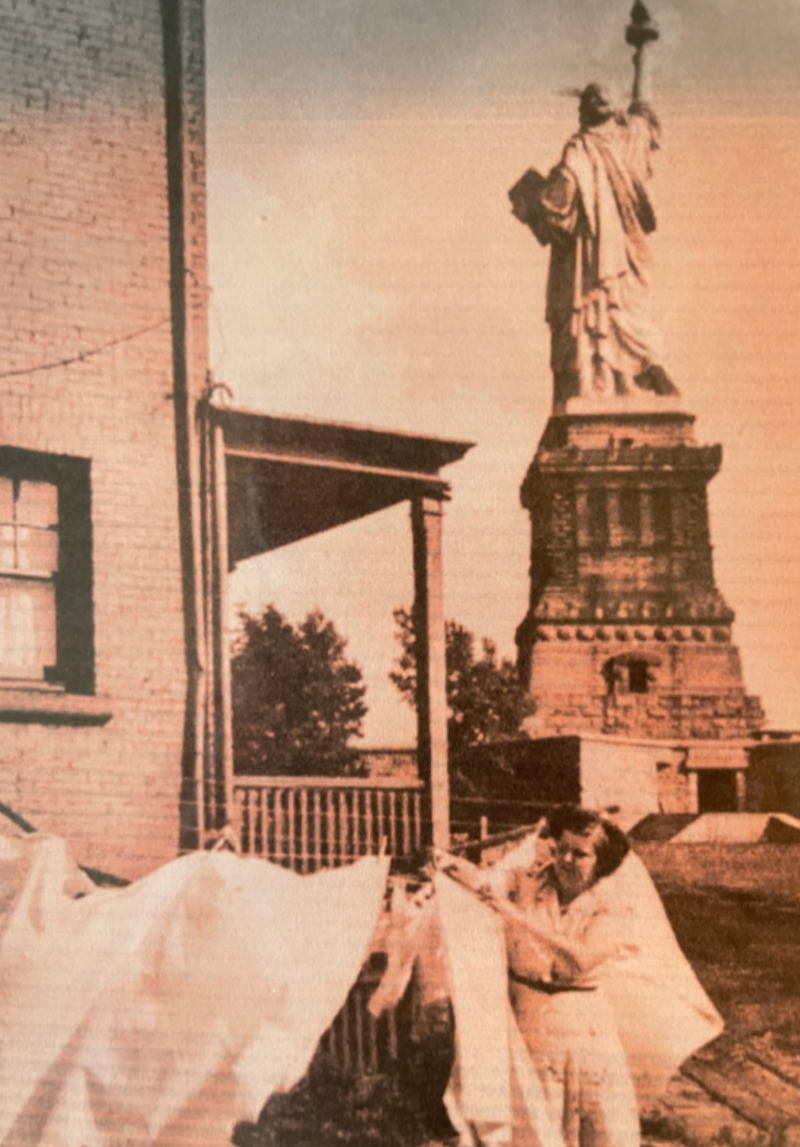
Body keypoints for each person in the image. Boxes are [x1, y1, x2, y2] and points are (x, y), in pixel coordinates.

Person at [478, 809, 723, 1147]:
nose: (565, 859)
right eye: (561, 848)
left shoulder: (614, 905)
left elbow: (580, 959)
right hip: (529, 1022)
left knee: (597, 1124)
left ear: (600, 861)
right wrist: (449, 869)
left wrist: (516, 916)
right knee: (534, 1125)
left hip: (583, 1028)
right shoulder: (530, 881)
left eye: (580, 854)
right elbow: (482, 885)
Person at [509, 85, 678, 411]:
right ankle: (632, 378)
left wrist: (532, 199)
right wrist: (642, 58)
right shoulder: (621, 146)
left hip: (590, 265)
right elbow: (642, 119)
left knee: (594, 316)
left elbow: (560, 204)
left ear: (583, 114)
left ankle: (605, 383)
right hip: (611, 261)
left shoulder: (581, 149)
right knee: (613, 315)